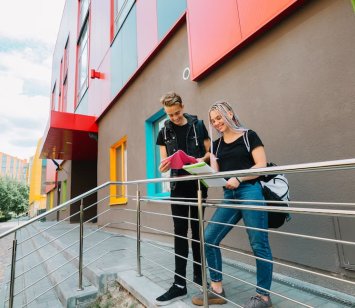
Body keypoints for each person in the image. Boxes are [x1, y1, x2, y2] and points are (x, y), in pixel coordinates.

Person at [192, 101, 273, 308]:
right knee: (209, 238)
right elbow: (216, 174)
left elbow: (261, 166)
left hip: (250, 190)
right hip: (230, 195)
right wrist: (202, 168)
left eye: (219, 118)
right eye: (213, 121)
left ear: (229, 113)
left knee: (258, 243)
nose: (216, 123)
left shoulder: (249, 136)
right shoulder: (216, 145)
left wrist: (238, 178)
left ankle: (263, 297)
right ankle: (217, 290)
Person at [155, 92, 210, 306]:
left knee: (197, 232)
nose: (175, 117)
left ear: (182, 107)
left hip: (197, 186)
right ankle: (179, 284)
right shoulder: (164, 132)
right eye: (170, 114)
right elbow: (163, 162)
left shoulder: (198, 125)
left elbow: (209, 152)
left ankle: (199, 277)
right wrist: (164, 165)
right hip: (177, 187)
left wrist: (198, 159)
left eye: (177, 113)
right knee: (180, 234)